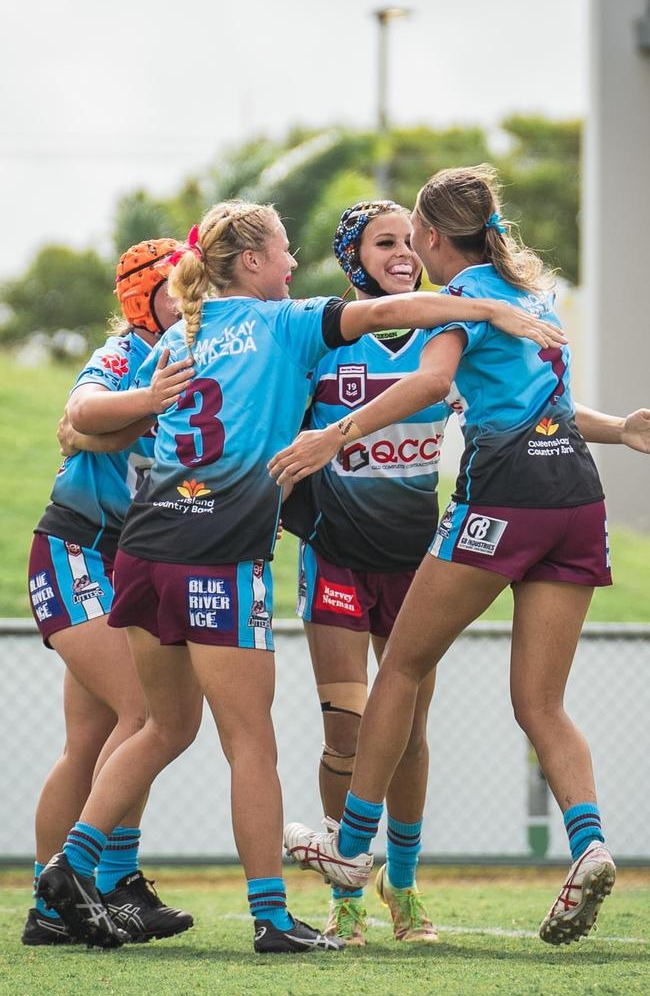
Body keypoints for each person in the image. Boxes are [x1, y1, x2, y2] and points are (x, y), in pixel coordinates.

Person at [35, 200, 559, 954]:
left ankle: (69, 864)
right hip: (217, 551)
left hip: (144, 548)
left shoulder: (181, 332)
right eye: (284, 250)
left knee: (163, 727)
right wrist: (490, 308)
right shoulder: (285, 322)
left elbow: (88, 420)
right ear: (251, 261)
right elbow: (398, 308)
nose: (291, 262)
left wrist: (141, 406)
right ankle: (273, 918)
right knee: (252, 744)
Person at [270, 165, 650, 946]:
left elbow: (432, 381)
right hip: (577, 498)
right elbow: (532, 401)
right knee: (540, 703)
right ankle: (589, 846)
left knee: (402, 670)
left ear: (435, 240)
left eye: (413, 236)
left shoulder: (465, 305)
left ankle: (350, 851)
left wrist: (334, 434)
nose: (410, 250)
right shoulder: (531, 297)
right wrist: (622, 429)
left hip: (505, 498)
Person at [284, 199, 454, 946]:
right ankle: (345, 894)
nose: (405, 253)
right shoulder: (320, 341)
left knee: (410, 731)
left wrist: (613, 429)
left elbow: (524, 404)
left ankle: (405, 887)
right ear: (355, 257)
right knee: (347, 729)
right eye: (386, 242)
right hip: (337, 555)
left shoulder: (445, 336)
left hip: (419, 562)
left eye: (412, 242)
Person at [25, 239, 199, 947]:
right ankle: (86, 888)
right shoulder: (128, 351)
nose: (190, 298)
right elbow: (83, 409)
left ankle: (87, 891)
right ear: (138, 298)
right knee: (146, 713)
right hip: (76, 550)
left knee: (94, 739)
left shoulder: (200, 347)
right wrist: (146, 402)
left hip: (131, 558)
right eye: (175, 287)